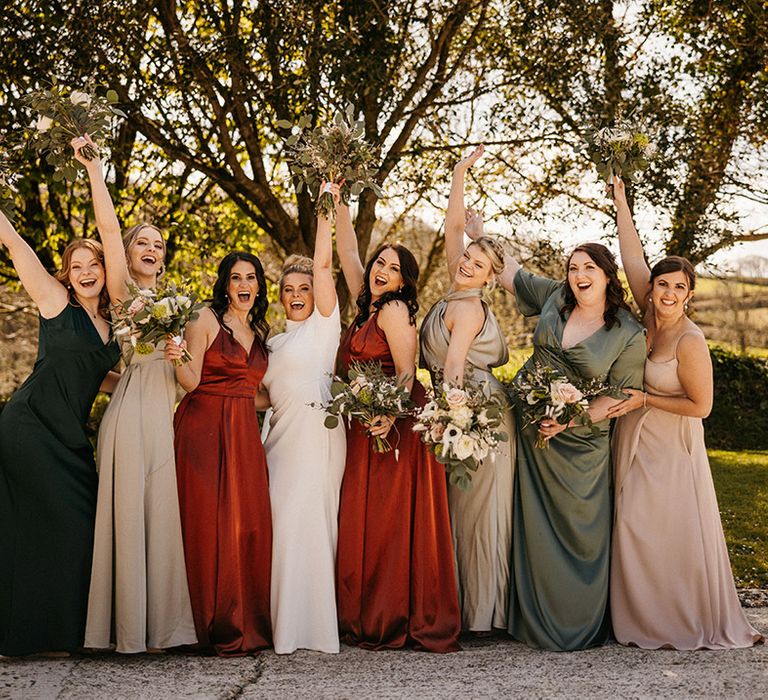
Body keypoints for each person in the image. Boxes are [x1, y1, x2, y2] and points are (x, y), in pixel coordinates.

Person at [606, 176, 762, 650]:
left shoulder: (691, 341)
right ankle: (636, 616)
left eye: (679, 287)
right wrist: (621, 203)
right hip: (634, 436)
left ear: (690, 293)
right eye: (662, 284)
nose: (669, 293)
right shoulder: (648, 314)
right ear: (651, 289)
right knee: (630, 527)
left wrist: (646, 400)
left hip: (672, 448)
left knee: (660, 529)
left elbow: (702, 406)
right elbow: (632, 255)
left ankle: (674, 619)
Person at [72, 136, 197, 654]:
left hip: (161, 420)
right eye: (142, 242)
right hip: (126, 420)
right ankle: (124, 634)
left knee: (162, 519)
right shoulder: (123, 294)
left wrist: (180, 356)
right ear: (129, 254)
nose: (151, 249)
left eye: (158, 245)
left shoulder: (177, 305)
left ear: (164, 259)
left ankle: (163, 632)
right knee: (127, 518)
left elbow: (189, 382)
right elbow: (104, 226)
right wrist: (96, 172)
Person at [499, 238, 646, 651]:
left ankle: (577, 621)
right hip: (530, 434)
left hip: (581, 446)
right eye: (573, 267)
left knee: (580, 534)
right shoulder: (554, 298)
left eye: (588, 269)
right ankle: (529, 618)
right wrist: (478, 235)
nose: (578, 276)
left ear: (606, 276)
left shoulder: (628, 333)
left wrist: (569, 419)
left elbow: (623, 395)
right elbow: (507, 272)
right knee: (530, 529)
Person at [333, 199, 461, 653]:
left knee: (389, 521)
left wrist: (389, 415)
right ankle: (365, 611)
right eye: (379, 263)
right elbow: (349, 255)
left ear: (405, 279)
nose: (381, 269)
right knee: (366, 517)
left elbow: (407, 375)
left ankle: (393, 614)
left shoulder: (393, 310)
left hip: (399, 423)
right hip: (368, 420)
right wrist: (339, 204)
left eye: (392, 266)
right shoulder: (366, 306)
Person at [0, 210, 119, 656]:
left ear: (106, 271)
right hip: (30, 425)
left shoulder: (113, 327)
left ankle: (58, 633)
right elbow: (13, 241)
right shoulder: (54, 302)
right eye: (77, 267)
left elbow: (93, 369)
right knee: (34, 527)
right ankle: (24, 637)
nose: (86, 273)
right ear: (66, 276)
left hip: (69, 436)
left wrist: (129, 384)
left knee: (79, 525)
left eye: (94, 265)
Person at [419, 145, 514, 632]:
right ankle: (460, 606)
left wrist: (447, 421)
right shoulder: (457, 284)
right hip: (457, 408)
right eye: (469, 255)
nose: (468, 261)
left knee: (476, 514)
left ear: (492, 278)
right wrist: (459, 173)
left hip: (475, 415)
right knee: (457, 511)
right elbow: (453, 229)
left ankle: (482, 615)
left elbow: (454, 370)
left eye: (479, 263)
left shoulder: (470, 306)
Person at [166, 251, 272, 656]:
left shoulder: (260, 332)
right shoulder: (205, 318)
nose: (243, 285)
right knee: (204, 522)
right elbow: (190, 381)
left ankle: (242, 617)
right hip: (203, 430)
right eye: (235, 278)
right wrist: (177, 359)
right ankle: (198, 624)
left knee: (247, 523)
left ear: (259, 285)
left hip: (244, 434)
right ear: (225, 285)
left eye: (250, 277)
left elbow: (256, 395)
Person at [261, 184, 346, 654]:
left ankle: (314, 627)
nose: (297, 294)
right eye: (288, 290)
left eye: (305, 287)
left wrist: (326, 206)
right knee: (281, 529)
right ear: (279, 297)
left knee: (312, 524)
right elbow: (258, 397)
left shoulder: (325, 325)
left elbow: (324, 264)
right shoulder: (271, 344)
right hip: (278, 445)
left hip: (319, 443)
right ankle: (282, 627)